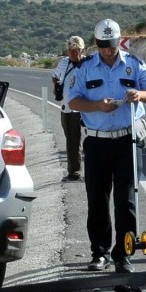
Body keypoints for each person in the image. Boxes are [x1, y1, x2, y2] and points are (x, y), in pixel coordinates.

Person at [66, 19, 146, 273]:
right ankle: (100, 253)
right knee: (97, 198)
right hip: (97, 141)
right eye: (104, 46)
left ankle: (124, 253)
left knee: (126, 198)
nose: (109, 51)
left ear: (121, 41)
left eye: (113, 45)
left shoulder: (134, 64)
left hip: (127, 140)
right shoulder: (85, 68)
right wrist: (97, 105)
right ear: (96, 44)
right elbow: (73, 101)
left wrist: (139, 95)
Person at [51, 36, 86, 182]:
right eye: (71, 50)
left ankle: (97, 169)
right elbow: (54, 75)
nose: (74, 53)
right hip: (68, 108)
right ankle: (74, 172)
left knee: (94, 140)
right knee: (72, 142)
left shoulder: (88, 64)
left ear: (82, 50)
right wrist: (57, 85)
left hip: (86, 108)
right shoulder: (64, 63)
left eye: (77, 50)